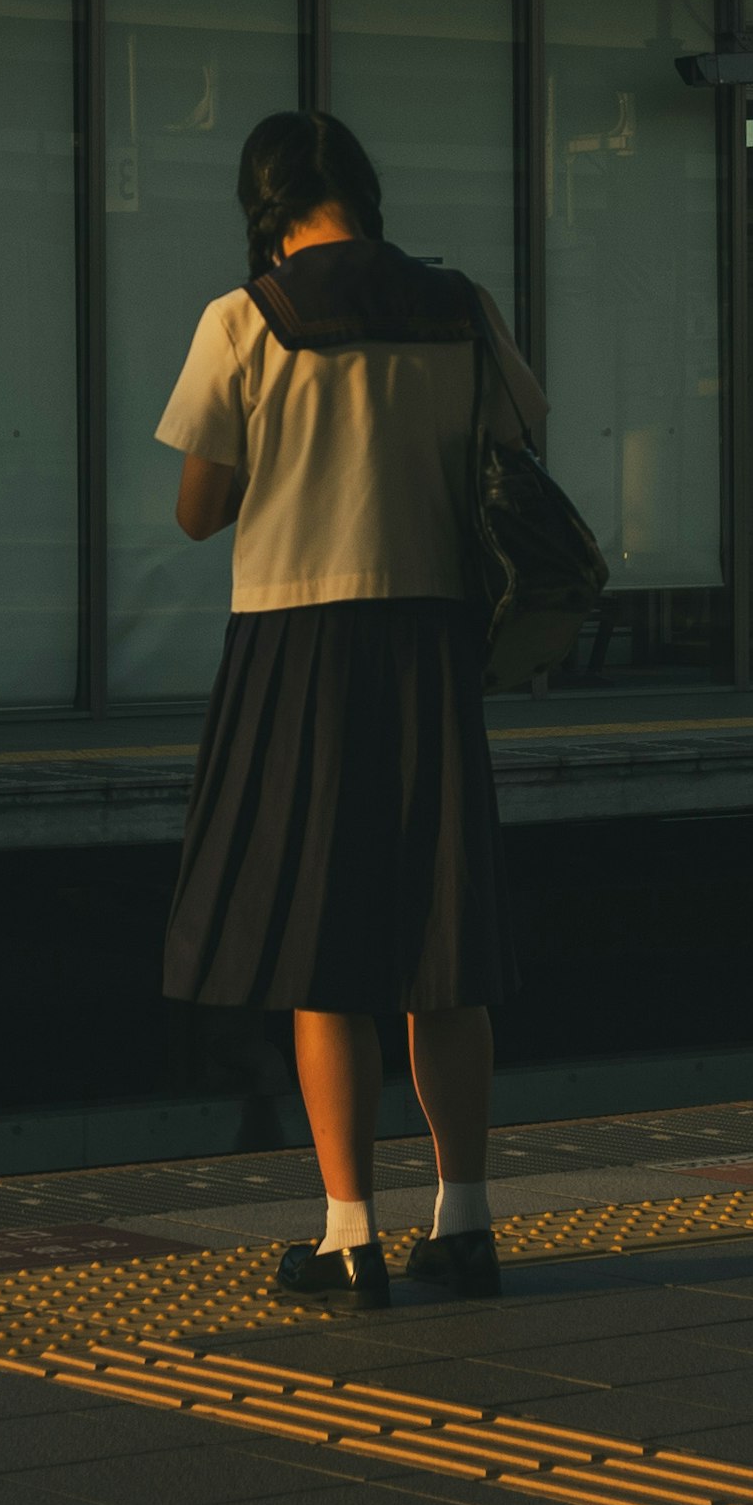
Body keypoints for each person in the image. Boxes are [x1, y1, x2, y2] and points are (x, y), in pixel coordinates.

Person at [156, 111, 545, 1306]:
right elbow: (517, 446)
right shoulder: (461, 306)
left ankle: (348, 1236)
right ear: (365, 197)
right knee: (444, 943)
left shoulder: (247, 318)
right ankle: (467, 1223)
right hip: (431, 643)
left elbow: (198, 507)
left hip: (298, 645)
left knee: (323, 947)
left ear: (267, 210)